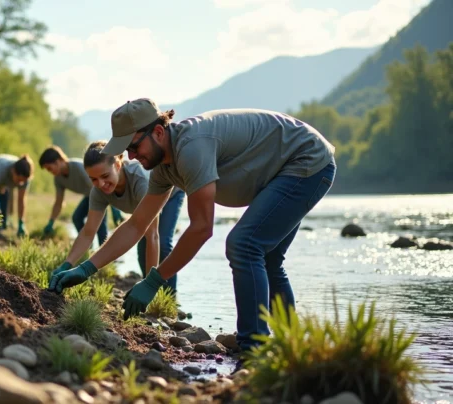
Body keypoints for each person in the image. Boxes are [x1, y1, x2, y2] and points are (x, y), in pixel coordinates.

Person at [49, 98, 336, 355]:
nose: (132, 157)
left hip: (306, 160)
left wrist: (154, 280)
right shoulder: (162, 168)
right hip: (284, 168)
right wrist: (86, 268)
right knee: (267, 257)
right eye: (127, 150)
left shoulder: (191, 148)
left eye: (134, 147)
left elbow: (201, 228)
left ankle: (254, 348)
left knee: (244, 245)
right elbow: (137, 224)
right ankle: (290, 345)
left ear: (158, 132)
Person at [50, 141, 185, 291]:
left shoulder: (140, 181)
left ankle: (168, 295)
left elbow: (153, 236)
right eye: (93, 179)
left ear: (118, 164)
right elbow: (88, 232)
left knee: (162, 243)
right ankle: (152, 289)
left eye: (105, 176)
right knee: (142, 252)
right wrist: (67, 264)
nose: (101, 184)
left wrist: (149, 286)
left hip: (170, 194)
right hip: (144, 205)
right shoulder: (98, 192)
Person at [39, 145, 123, 244]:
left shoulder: (79, 168)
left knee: (100, 224)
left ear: (58, 161)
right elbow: (59, 202)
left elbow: (101, 187)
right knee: (77, 218)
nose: (50, 172)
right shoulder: (58, 179)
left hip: (102, 194)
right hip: (89, 196)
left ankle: (105, 250)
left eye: (49, 168)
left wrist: (114, 208)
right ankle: (86, 245)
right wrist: (51, 222)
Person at [0, 154, 34, 237]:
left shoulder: (25, 178)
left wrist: (21, 222)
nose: (20, 183)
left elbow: (21, 199)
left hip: (2, 183)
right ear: (13, 171)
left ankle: (3, 226)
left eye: (22, 181)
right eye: (19, 180)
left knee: (4, 214)